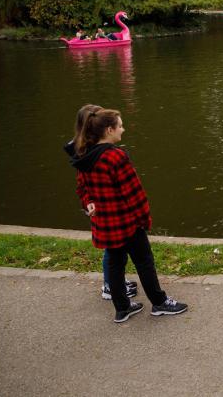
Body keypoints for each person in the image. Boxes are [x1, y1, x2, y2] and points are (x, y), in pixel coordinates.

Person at [72, 108, 188, 322]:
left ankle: (123, 308)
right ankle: (159, 303)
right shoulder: (115, 157)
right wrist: (144, 219)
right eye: (120, 125)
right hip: (126, 223)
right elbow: (134, 194)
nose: (122, 129)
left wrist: (88, 203)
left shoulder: (85, 156)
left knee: (116, 264)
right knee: (144, 262)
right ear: (109, 130)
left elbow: (82, 188)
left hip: (105, 224)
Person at [64, 104, 138, 302]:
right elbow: (82, 184)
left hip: (104, 207)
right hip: (105, 210)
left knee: (114, 249)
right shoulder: (86, 151)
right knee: (112, 250)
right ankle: (110, 285)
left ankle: (116, 282)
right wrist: (88, 201)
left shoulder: (90, 148)